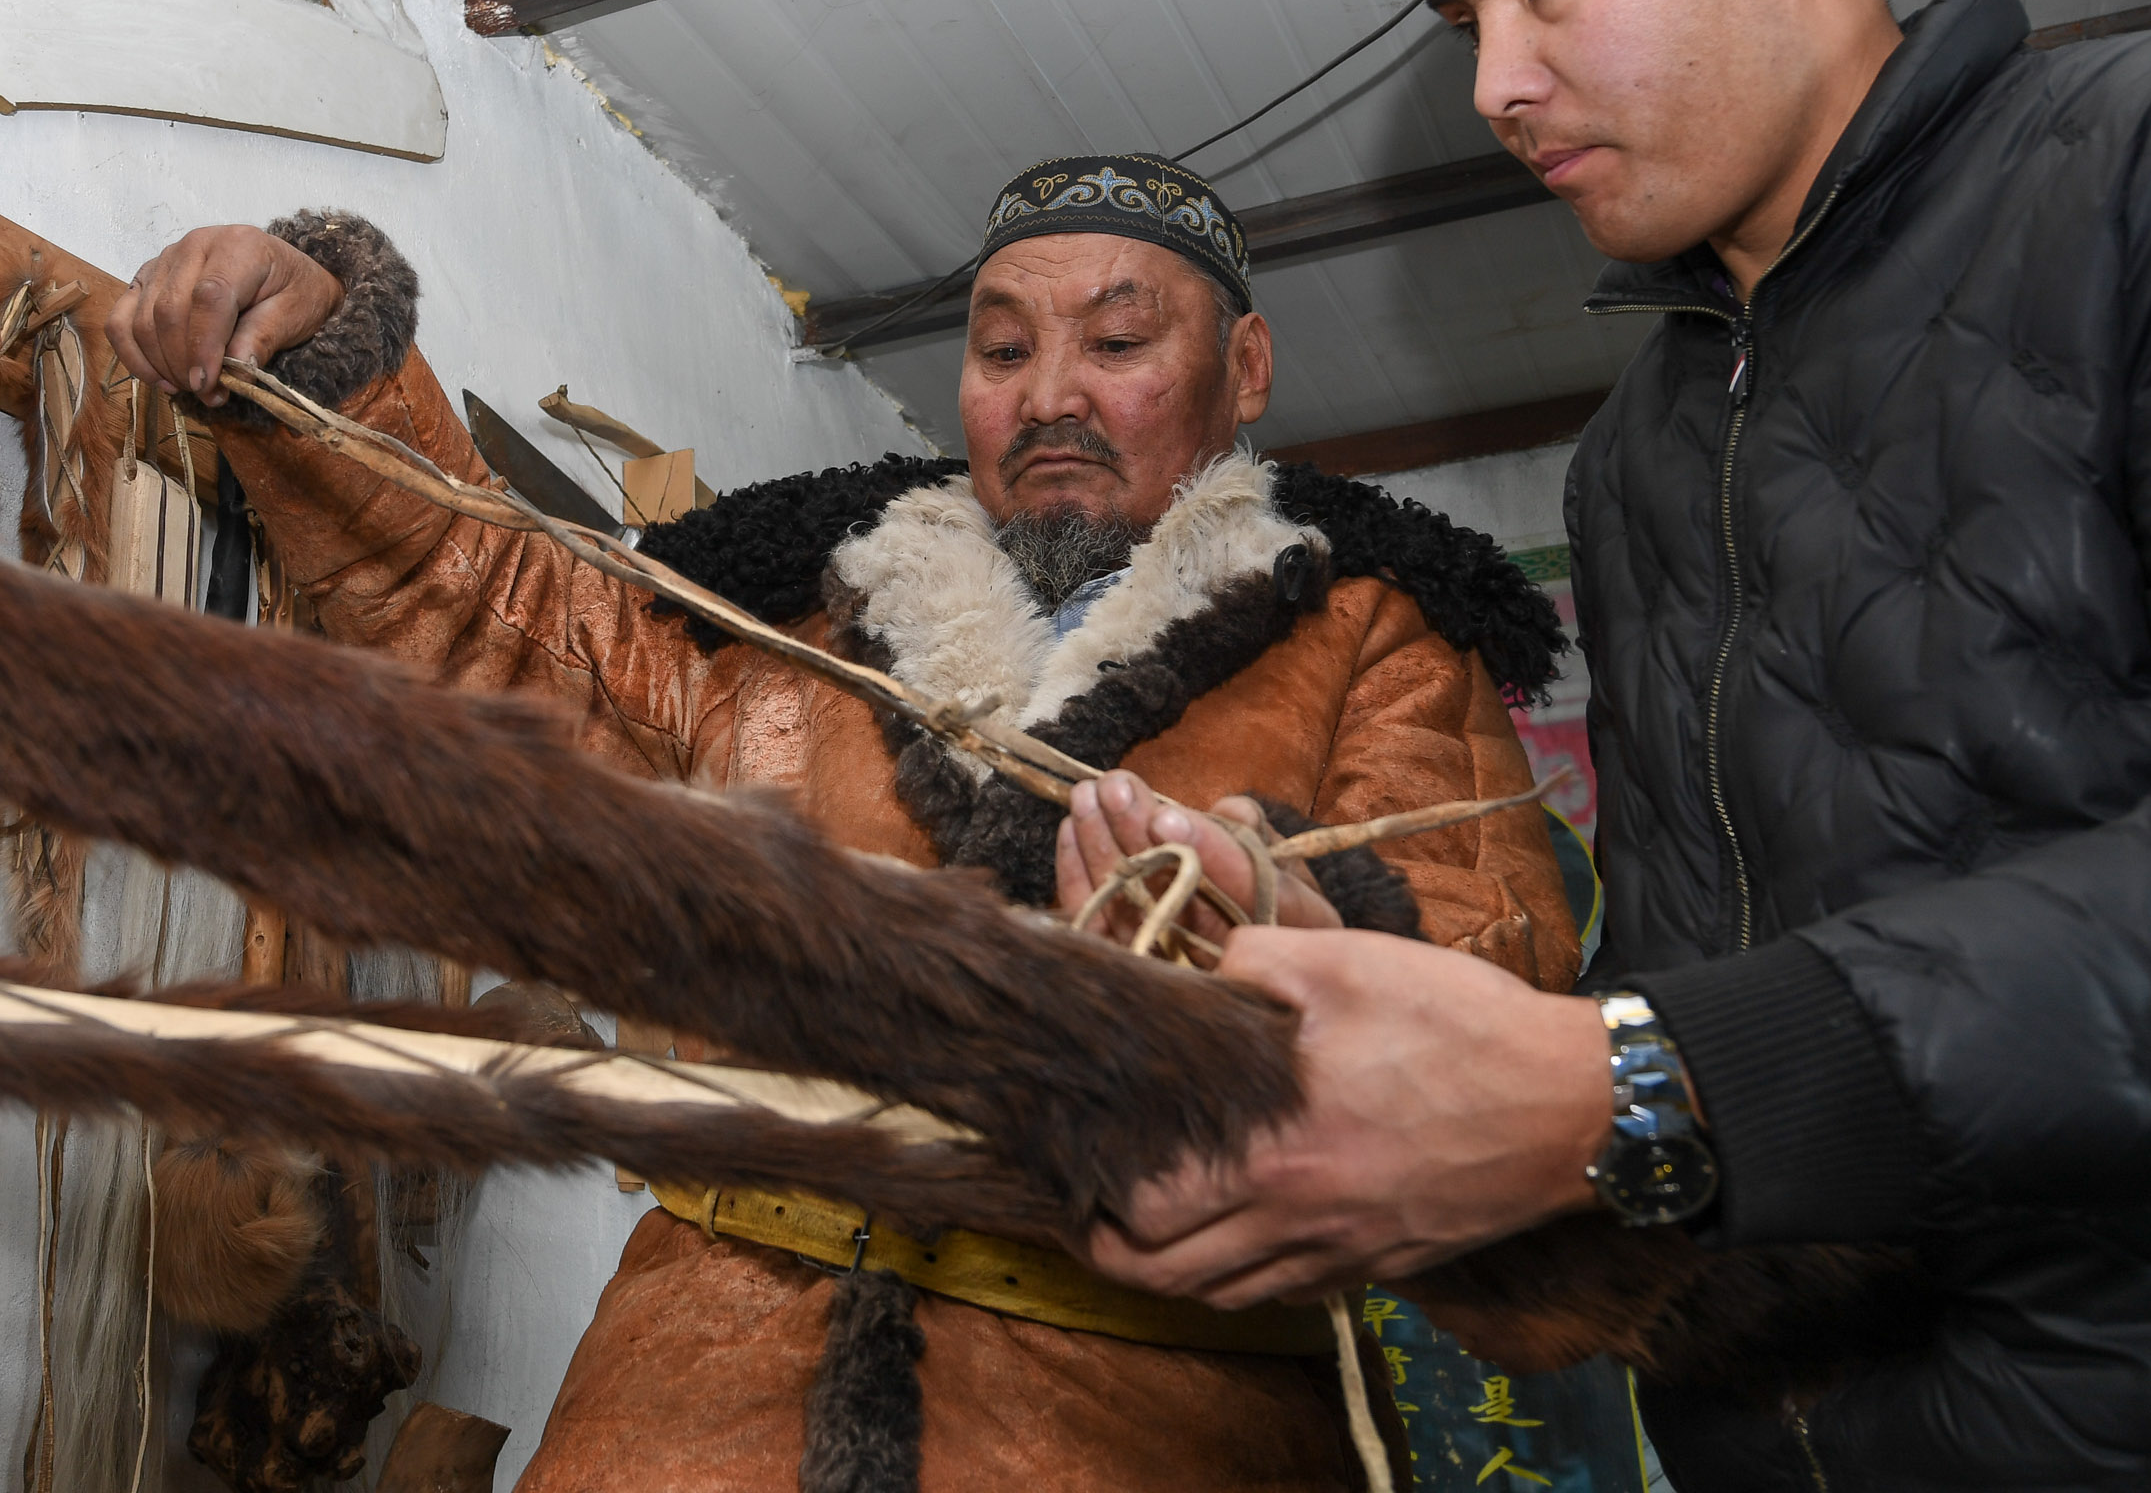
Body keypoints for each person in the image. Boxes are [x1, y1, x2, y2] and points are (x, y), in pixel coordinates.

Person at [1068, 0, 2151, 1490]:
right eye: (1465, 17)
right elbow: (1708, 986)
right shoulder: (1639, 451)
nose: (1491, 81)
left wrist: (1622, 1077)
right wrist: (1393, 986)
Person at [109, 159, 1581, 1490]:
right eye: (1003, 349)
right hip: (689, 1406)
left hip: (1161, 1414)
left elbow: (1488, 961)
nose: (1050, 391)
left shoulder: (1370, 639)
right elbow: (494, 621)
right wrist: (320, 343)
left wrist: (1294, 919)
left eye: (1119, 344)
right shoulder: (796, 638)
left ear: (1244, 365)